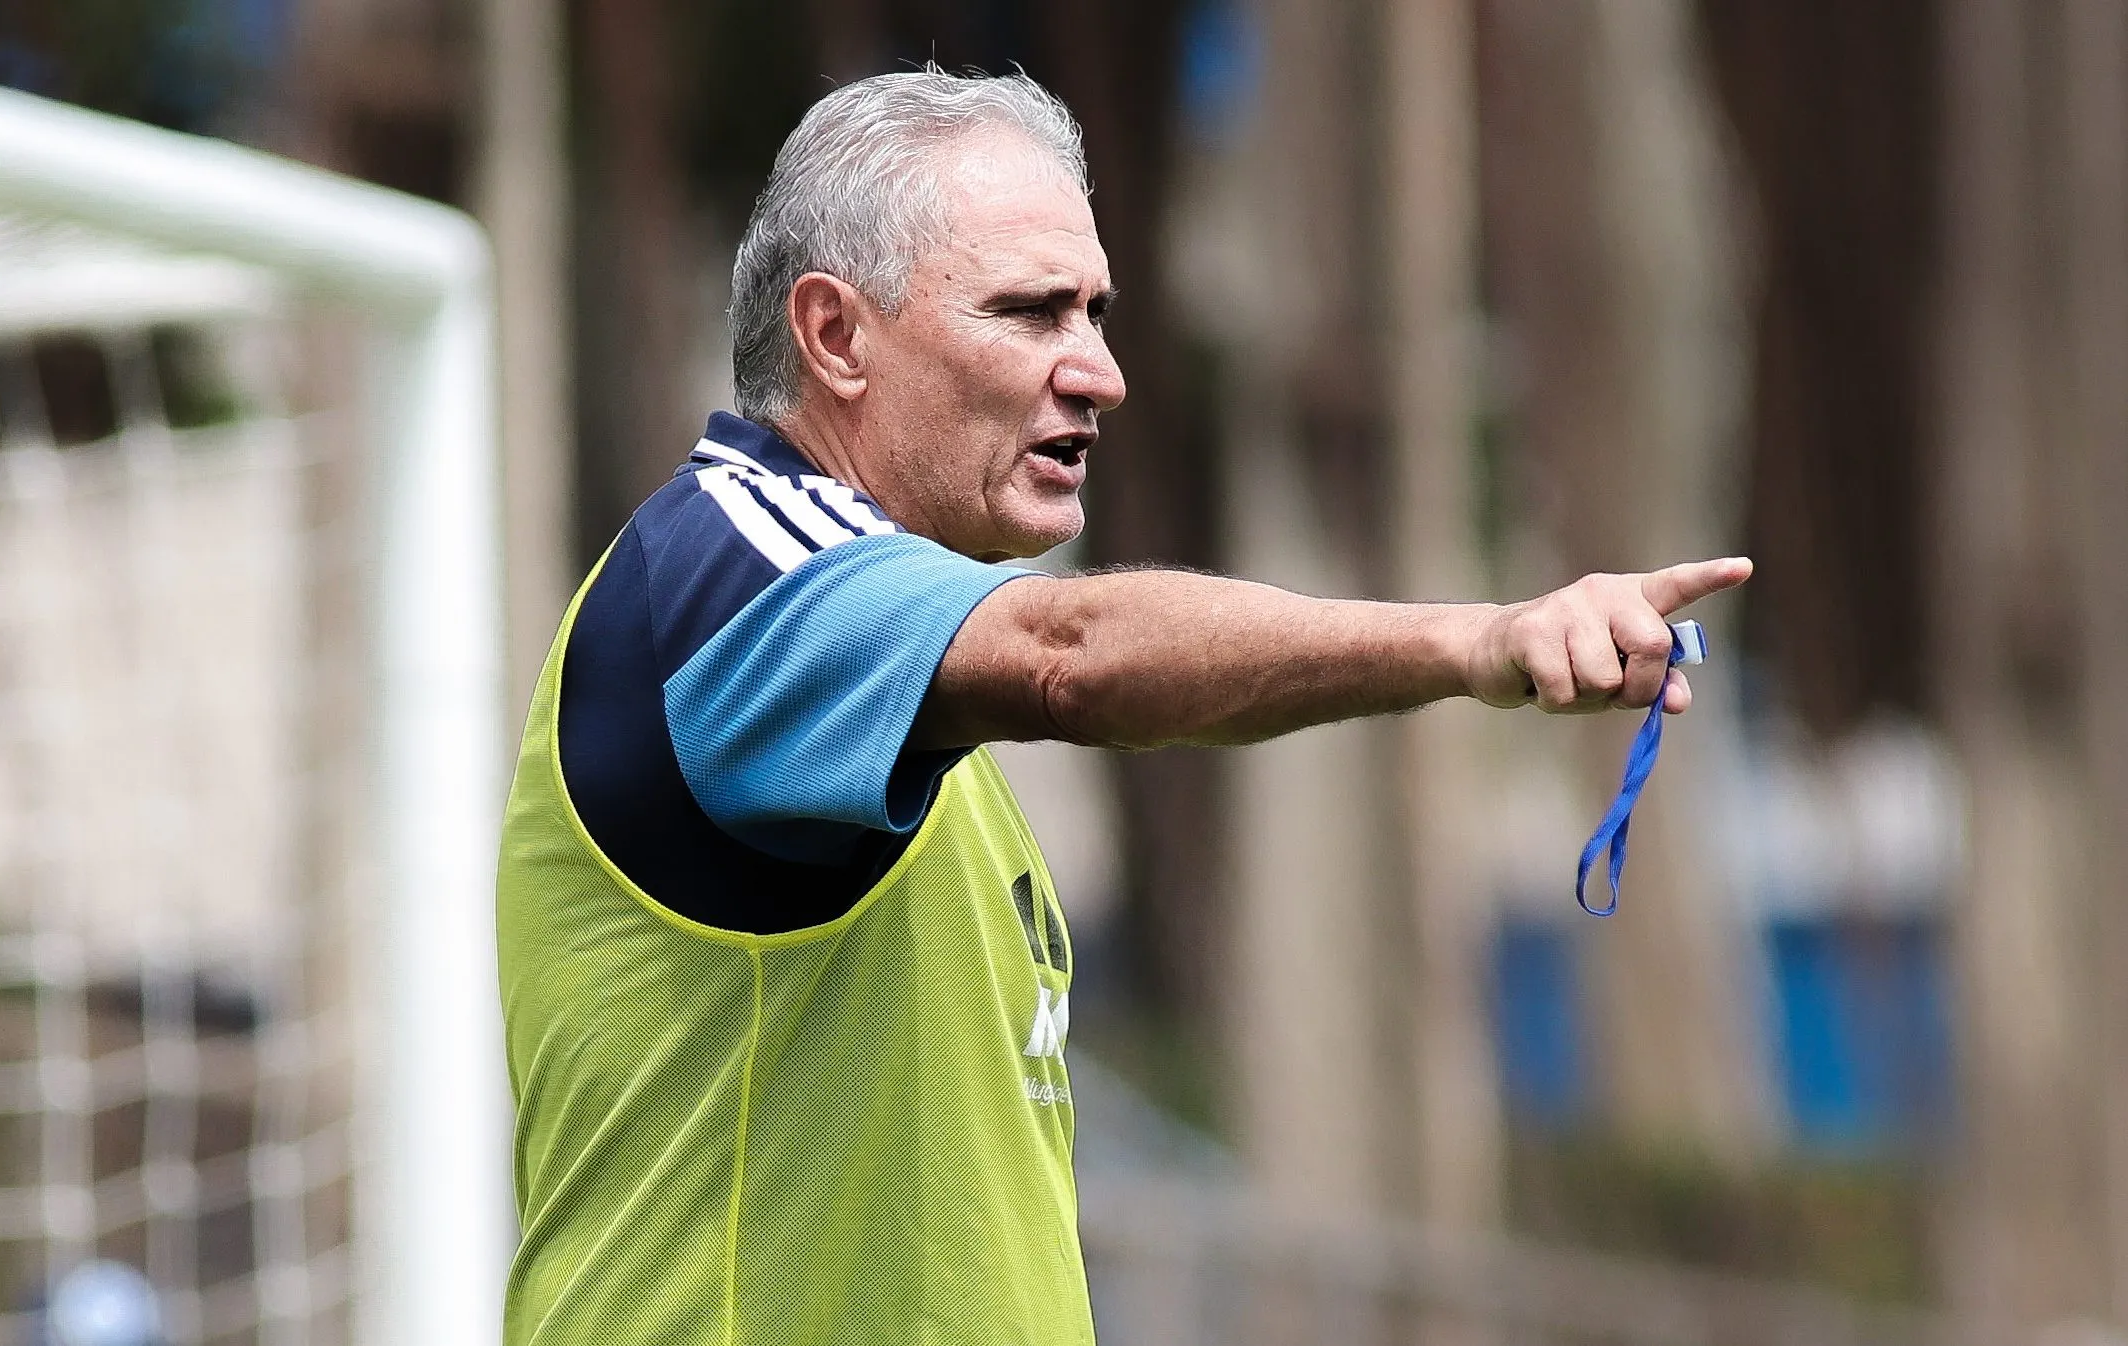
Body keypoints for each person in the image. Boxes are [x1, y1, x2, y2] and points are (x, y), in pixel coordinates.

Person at [494, 67, 1748, 1344]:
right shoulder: (735, 572)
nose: (1099, 372)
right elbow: (1068, 653)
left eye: (1094, 312)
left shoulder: (886, 690)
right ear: (834, 335)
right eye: (1031, 312)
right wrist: (1478, 639)